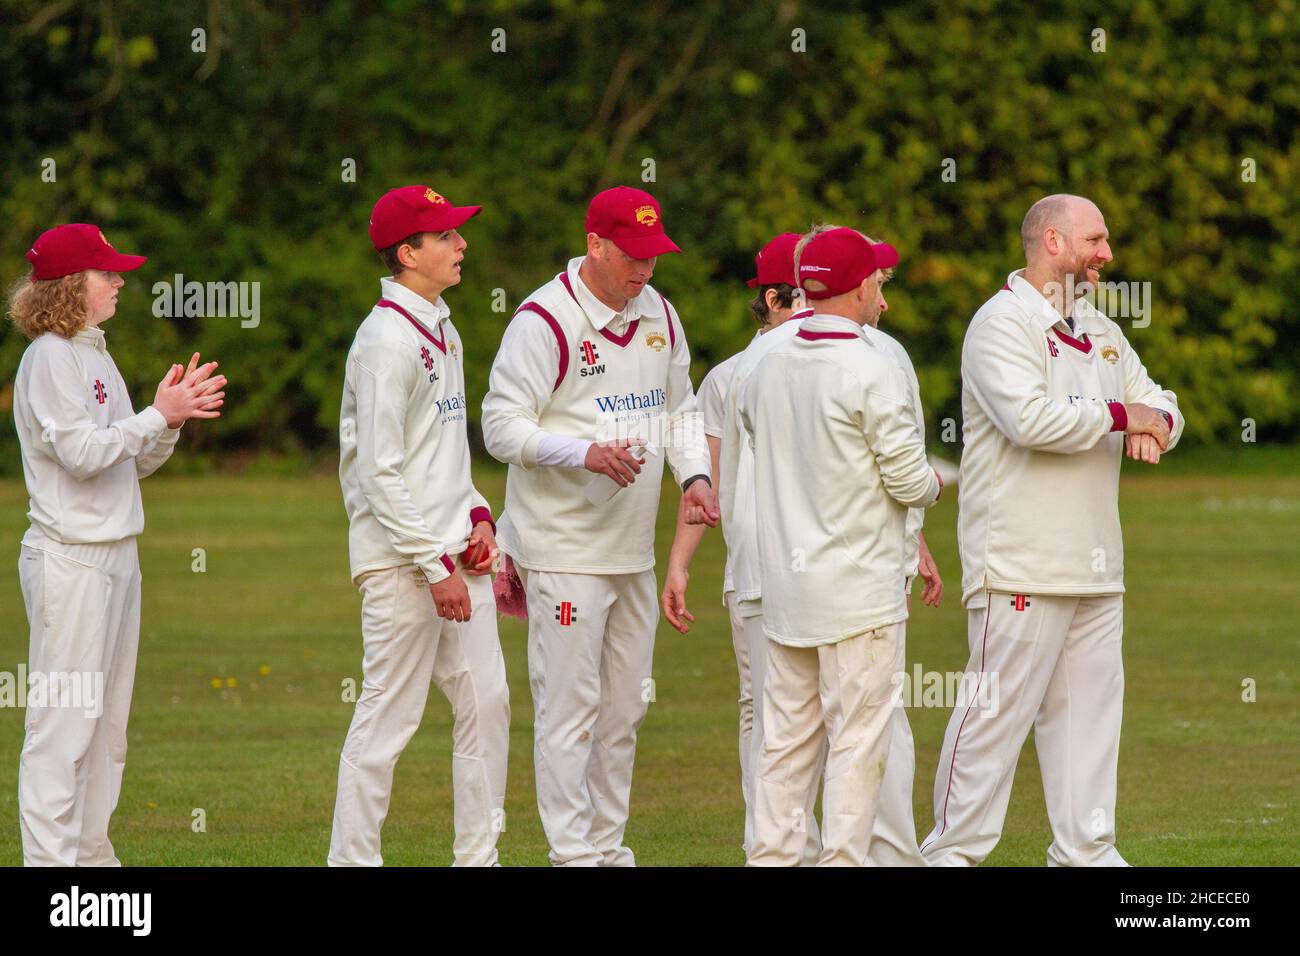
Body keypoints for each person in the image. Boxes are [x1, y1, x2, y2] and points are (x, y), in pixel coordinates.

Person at [920, 194, 1183, 867]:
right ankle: (949, 855)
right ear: (1054, 243)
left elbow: (1160, 398)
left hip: (1096, 563)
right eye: (1096, 240)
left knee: (1091, 718)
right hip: (1017, 559)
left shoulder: (1099, 328)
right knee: (992, 717)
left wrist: (1158, 425)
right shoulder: (999, 325)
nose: (1107, 255)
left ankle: (1086, 852)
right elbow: (1032, 421)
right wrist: (1128, 417)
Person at [481, 185, 717, 866]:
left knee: (624, 711)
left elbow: (680, 410)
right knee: (569, 711)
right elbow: (500, 427)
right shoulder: (542, 320)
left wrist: (694, 476)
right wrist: (582, 452)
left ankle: (608, 848)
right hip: (561, 549)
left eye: (653, 256)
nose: (644, 270)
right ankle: (573, 855)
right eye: (632, 256)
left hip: (631, 550)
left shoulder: (660, 314)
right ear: (595, 245)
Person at [9, 223, 224, 866]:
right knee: (63, 729)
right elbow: (79, 454)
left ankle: (92, 864)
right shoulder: (49, 357)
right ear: (73, 285)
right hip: (70, 559)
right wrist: (156, 416)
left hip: (115, 557)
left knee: (106, 731)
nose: (120, 281)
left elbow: (128, 459)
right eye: (108, 274)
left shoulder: (94, 352)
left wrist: (170, 417)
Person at [741, 227, 942, 866]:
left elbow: (757, 433)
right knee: (857, 744)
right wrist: (936, 483)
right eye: (879, 284)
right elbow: (911, 479)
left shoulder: (763, 361)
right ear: (860, 286)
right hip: (859, 593)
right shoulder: (873, 364)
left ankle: (770, 860)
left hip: (787, 590)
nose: (881, 296)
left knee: (784, 745)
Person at [329, 185, 509, 867]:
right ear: (408, 253)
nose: (462, 245)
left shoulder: (443, 325)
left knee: (487, 705)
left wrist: (478, 518)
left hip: (454, 557)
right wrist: (434, 567)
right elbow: (379, 472)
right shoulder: (385, 341)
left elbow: (443, 455)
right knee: (388, 721)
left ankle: (479, 858)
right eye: (446, 237)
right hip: (404, 562)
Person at [659, 232, 818, 861]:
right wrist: (678, 563)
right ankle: (783, 846)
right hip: (760, 571)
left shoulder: (743, 372)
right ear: (775, 299)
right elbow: (708, 484)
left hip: (790, 567)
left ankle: (788, 847)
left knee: (790, 710)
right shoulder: (728, 378)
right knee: (769, 708)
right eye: (804, 294)